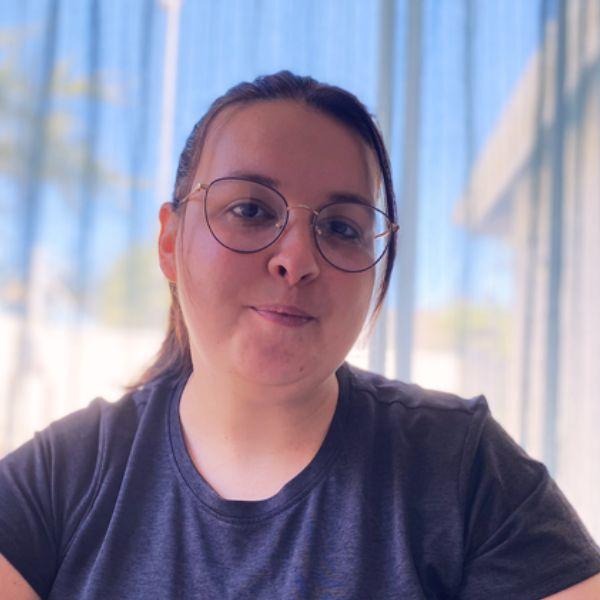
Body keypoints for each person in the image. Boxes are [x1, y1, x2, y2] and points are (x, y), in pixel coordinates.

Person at [1, 71, 599, 599]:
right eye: (251, 210)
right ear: (169, 241)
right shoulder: (59, 478)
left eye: (341, 227)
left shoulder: (462, 469)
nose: (297, 259)